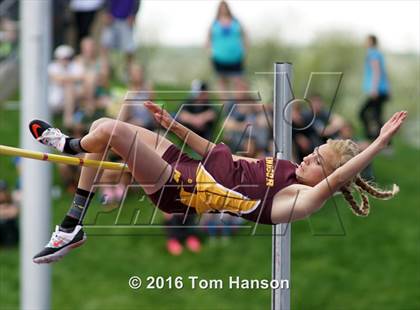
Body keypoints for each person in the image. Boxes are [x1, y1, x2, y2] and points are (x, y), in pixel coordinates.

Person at [27, 104, 406, 264]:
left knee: (107, 132)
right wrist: (172, 126)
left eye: (317, 160)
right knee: (102, 126)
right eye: (315, 151)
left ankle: (67, 146)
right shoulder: (288, 167)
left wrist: (377, 143)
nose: (309, 156)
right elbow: (224, 155)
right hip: (187, 163)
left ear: (326, 177)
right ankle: (72, 223)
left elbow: (341, 175)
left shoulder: (302, 199)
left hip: (178, 188)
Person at [206, 0, 248, 98]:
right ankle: (226, 108)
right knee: (222, 83)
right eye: (221, 7)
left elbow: (244, 35)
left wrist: (245, 50)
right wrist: (210, 53)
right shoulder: (214, 23)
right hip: (219, 57)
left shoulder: (236, 22)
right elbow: (208, 39)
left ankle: (238, 108)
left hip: (236, 57)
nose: (223, 9)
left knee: (238, 82)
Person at [359, 34, 391, 140]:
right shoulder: (376, 53)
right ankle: (380, 140)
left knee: (363, 113)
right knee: (377, 115)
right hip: (382, 89)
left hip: (378, 90)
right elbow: (384, 73)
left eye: (366, 40)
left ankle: (374, 138)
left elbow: (376, 71)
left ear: (371, 42)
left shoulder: (373, 53)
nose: (365, 42)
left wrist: (374, 89)